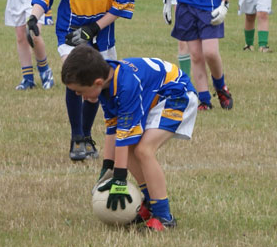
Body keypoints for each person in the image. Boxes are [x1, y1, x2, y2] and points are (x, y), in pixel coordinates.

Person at [27, 0, 135, 161]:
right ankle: (76, 137)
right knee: (76, 80)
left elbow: (123, 4)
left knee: (95, 87)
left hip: (102, 36)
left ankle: (86, 135)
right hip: (70, 33)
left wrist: (95, 28)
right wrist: (34, 16)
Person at [62, 45, 198, 231]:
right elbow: (113, 128)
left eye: (79, 91)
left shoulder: (126, 86)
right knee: (133, 148)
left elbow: (123, 138)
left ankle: (164, 216)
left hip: (177, 95)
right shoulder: (106, 85)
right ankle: (150, 203)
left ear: (98, 82)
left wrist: (119, 180)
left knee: (143, 150)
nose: (78, 96)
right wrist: (107, 167)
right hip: (158, 97)